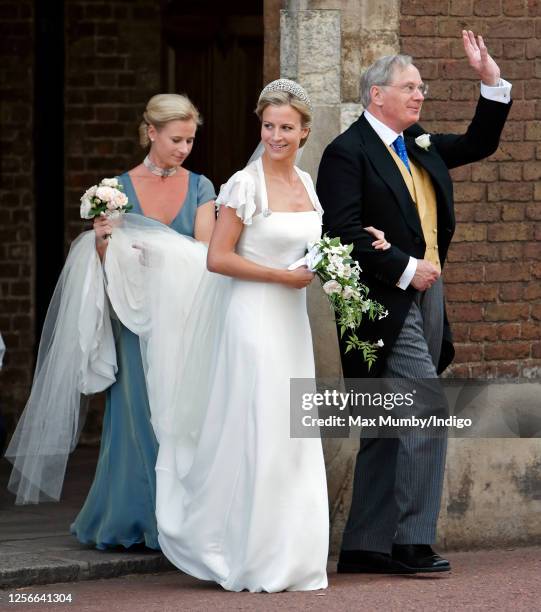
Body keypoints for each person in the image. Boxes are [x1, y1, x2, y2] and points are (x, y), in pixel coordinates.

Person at [316, 31, 512, 574]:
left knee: (387, 419)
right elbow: (341, 233)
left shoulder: (417, 142)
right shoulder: (345, 152)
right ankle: (409, 540)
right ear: (376, 95)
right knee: (425, 407)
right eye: (409, 86)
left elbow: (477, 145)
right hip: (381, 301)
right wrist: (404, 267)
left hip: (428, 295)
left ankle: (364, 545)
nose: (419, 94)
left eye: (421, 86)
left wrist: (490, 82)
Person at [150, 79, 330, 592]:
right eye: (269, 126)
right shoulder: (243, 184)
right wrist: (282, 277)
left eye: (286, 127)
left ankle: (294, 557)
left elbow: (311, 246)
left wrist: (327, 265)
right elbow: (218, 257)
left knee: (292, 432)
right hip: (252, 318)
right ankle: (250, 555)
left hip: (291, 320)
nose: (276, 135)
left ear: (304, 131)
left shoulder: (307, 182)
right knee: (262, 427)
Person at [69, 93, 216, 550]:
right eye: (176, 139)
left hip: (187, 318)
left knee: (183, 415)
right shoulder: (116, 189)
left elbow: (207, 253)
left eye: (190, 140)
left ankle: (179, 523)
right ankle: (133, 518)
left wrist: (164, 255)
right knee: (136, 414)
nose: (184, 149)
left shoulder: (201, 187)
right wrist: (101, 242)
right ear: (151, 132)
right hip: (136, 317)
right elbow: (106, 258)